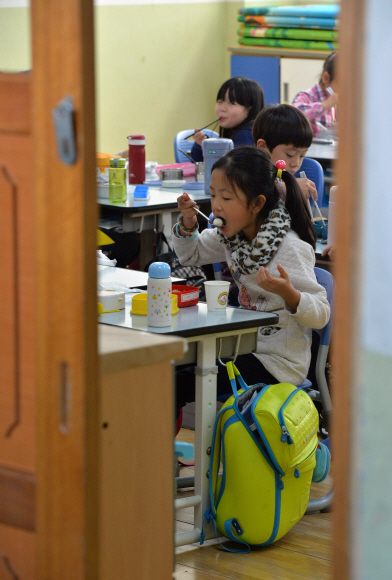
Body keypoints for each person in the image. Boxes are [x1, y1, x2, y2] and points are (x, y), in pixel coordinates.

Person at [173, 146, 330, 419]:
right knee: (168, 368)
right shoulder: (232, 237)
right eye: (212, 195)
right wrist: (188, 223)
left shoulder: (289, 248)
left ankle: (157, 456)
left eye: (226, 197)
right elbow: (191, 254)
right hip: (239, 348)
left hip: (276, 362)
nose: (216, 205)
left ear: (256, 204)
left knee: (177, 382)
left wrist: (290, 294)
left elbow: (321, 314)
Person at [253, 103, 318, 201]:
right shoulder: (249, 171)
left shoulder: (282, 176)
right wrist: (289, 188)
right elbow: (253, 192)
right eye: (290, 154)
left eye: (302, 155)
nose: (296, 163)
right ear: (262, 147)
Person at [190, 76, 264, 163]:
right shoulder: (234, 131)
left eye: (231, 103)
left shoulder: (245, 135)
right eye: (220, 102)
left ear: (249, 109)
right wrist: (202, 146)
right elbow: (197, 165)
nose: (222, 108)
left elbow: (230, 171)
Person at [292, 51, 338, 135]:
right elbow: (292, 116)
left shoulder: (333, 102)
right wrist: (324, 105)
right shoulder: (306, 96)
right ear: (325, 78)